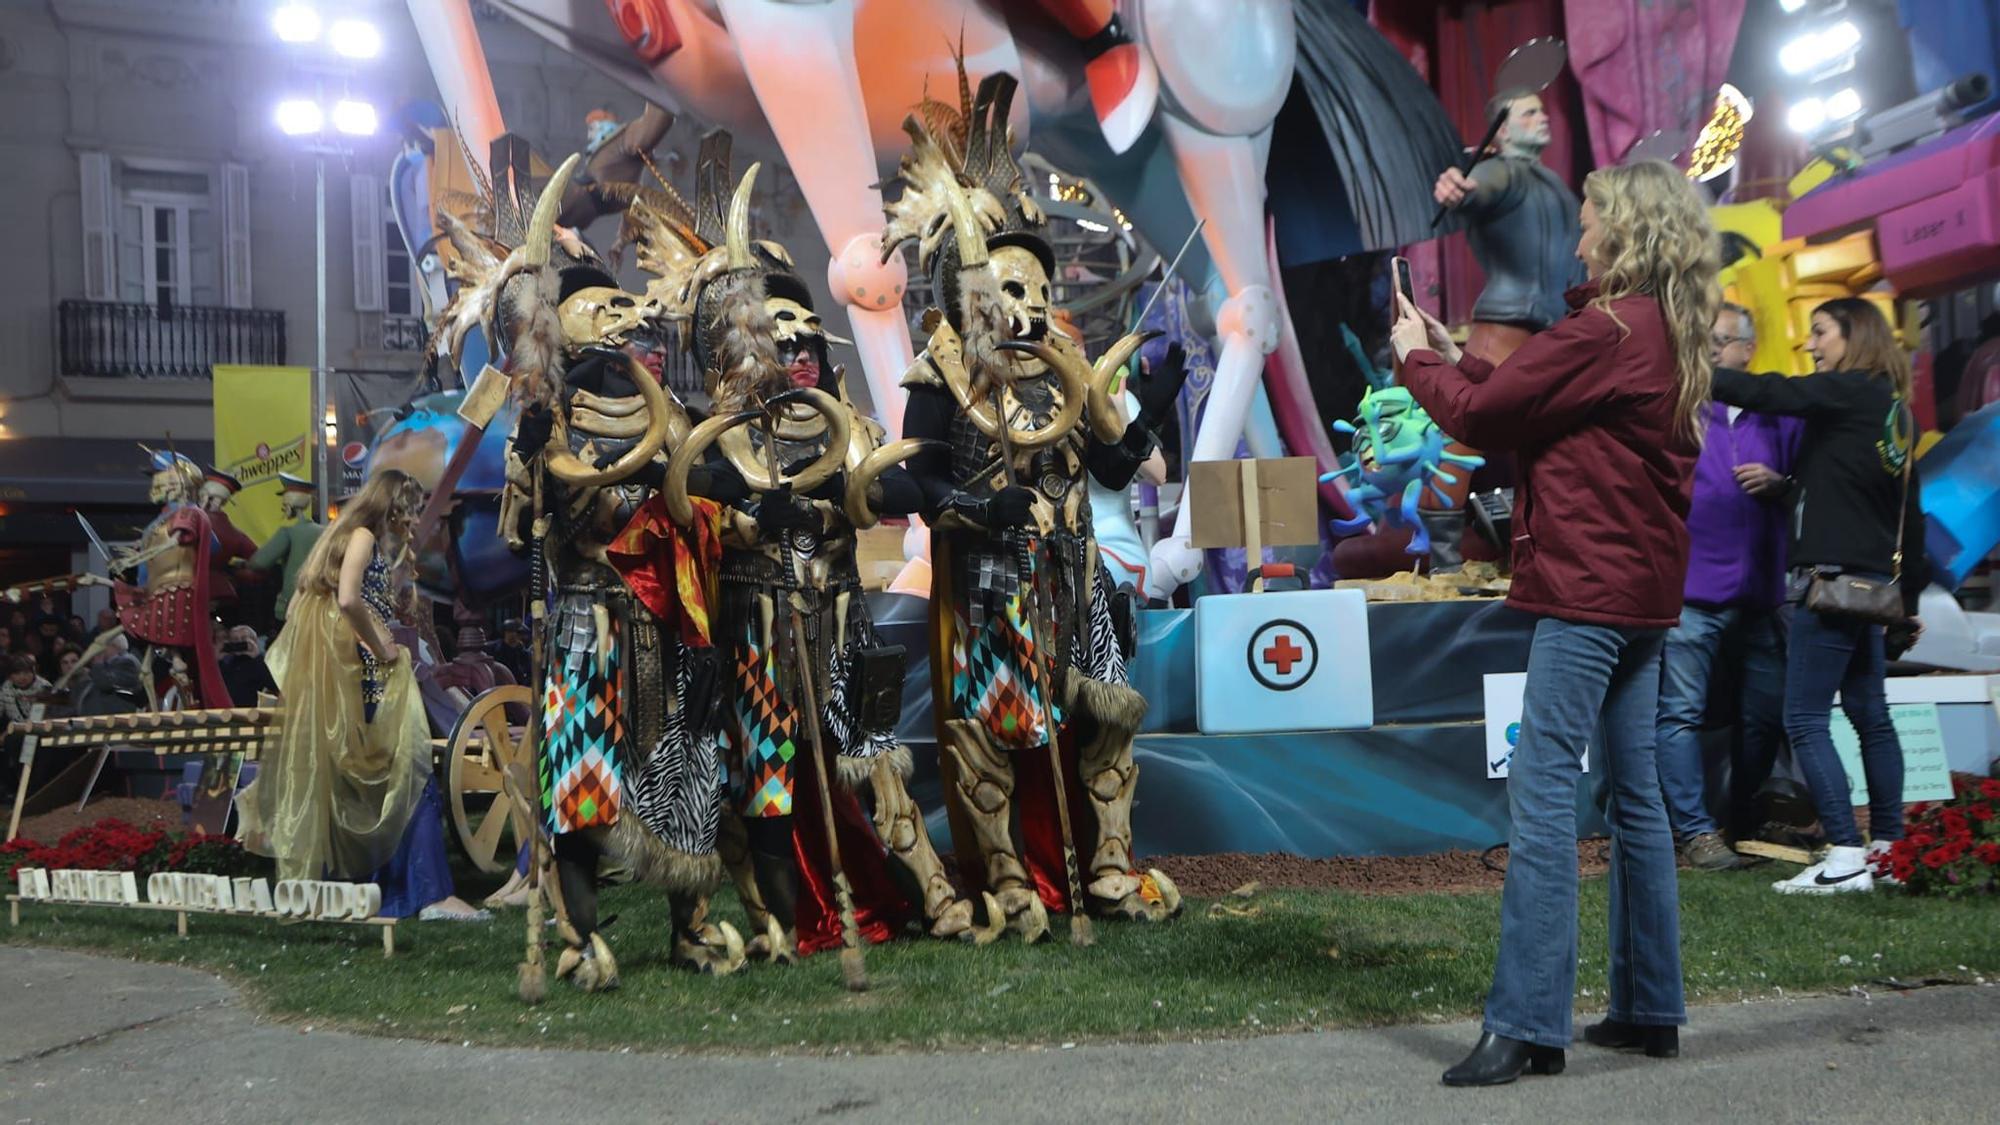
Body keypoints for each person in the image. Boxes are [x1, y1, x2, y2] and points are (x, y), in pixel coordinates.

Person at [1397, 159, 1718, 1084]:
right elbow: (1522, 398)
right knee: (1638, 797)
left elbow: (1483, 415)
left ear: (1626, 233)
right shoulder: (1666, 331)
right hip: (1645, 595)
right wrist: (1449, 355)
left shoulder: (1607, 327)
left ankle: (1530, 1023)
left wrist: (1416, 359)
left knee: (1542, 797)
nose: (1576, 241)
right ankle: (1649, 1006)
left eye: (1588, 225)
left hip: (1587, 591)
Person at [1709, 298, 1928, 895]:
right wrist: (1908, 602)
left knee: (1803, 717)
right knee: (1870, 719)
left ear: (1854, 336)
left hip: (1828, 584)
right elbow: (1907, 514)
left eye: (1821, 332)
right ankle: (1887, 848)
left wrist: (1686, 368)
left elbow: (1771, 393)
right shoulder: (1894, 413)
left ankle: (1844, 854)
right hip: (1872, 588)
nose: (1811, 344)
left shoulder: (1849, 390)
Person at [240, 469, 486, 921]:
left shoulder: (334, 543)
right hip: (371, 677)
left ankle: (374, 891)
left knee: (367, 783)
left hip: (349, 682)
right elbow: (350, 599)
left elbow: (298, 608)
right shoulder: (364, 539)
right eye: (409, 510)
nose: (411, 520)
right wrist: (382, 644)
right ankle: (430, 894)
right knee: (410, 772)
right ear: (394, 505)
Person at [1654, 303, 1802, 869]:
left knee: (1764, 716)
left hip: (1762, 593)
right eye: (1704, 339)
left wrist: (1781, 483)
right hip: (1692, 593)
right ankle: (1696, 832)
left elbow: (1809, 488)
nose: (1711, 349)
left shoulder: (1781, 413)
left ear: (1749, 348)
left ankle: (1746, 820)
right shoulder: (1681, 408)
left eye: (1722, 340)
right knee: (1681, 714)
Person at [1432, 87, 1586, 365]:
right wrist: (1458, 190)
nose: (1543, 117)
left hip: (1554, 332)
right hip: (1508, 334)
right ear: (1502, 131)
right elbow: (1477, 188)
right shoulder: (1500, 171)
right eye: (1529, 113)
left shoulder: (1553, 182)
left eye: (1541, 110)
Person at [242, 473, 325, 627]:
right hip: (321, 605)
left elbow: (259, 562)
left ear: (288, 505)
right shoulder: (325, 531)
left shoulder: (289, 533)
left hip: (292, 605)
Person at [217, 625, 278, 708]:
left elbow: (274, 687)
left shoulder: (259, 663)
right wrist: (218, 659)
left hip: (249, 713)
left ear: (253, 641)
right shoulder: (227, 663)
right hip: (227, 710)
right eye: (235, 640)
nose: (239, 642)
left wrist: (256, 657)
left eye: (243, 638)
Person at [1, 654, 51, 725]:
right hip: (17, 730)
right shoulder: (6, 687)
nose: (22, 677)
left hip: (42, 728)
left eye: (26, 672)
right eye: (17, 673)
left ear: (33, 673)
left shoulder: (44, 687)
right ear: (9, 675)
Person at [485, 619, 532, 688]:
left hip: (518, 687)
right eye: (510, 631)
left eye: (516, 632)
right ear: (504, 633)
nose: (513, 634)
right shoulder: (493, 648)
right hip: (498, 686)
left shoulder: (523, 653)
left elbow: (528, 673)